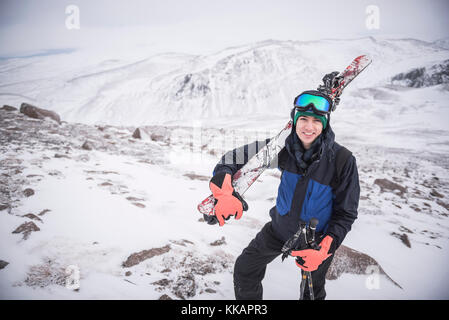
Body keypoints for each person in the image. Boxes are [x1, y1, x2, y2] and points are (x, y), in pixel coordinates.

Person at [206, 89, 360, 300]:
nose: (308, 126)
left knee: (311, 294)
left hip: (316, 242)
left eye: (316, 120)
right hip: (278, 230)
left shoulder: (342, 160)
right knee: (245, 269)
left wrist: (324, 249)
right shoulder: (282, 149)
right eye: (303, 118)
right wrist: (224, 193)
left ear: (325, 123)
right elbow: (233, 158)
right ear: (294, 120)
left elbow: (346, 213)